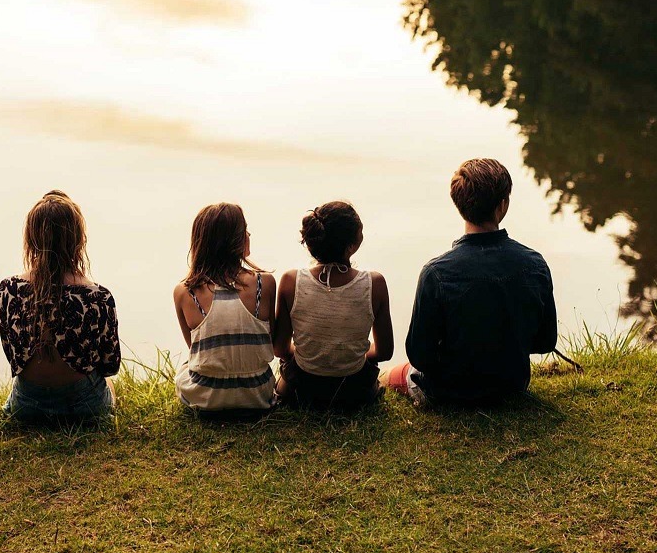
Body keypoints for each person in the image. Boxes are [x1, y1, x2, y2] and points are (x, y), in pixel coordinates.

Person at [383, 158, 558, 408]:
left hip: (448, 393)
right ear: (503, 204)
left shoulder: (435, 273)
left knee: (391, 374)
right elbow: (545, 342)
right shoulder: (535, 264)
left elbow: (420, 357)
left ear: (458, 204)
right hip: (512, 385)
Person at [0, 191, 120, 422]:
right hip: (85, 406)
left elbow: (12, 355)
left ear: (31, 239)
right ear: (78, 240)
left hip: (26, 404)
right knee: (110, 385)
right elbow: (110, 366)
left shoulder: (8, 289)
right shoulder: (98, 296)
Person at [273, 201, 393, 411]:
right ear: (352, 245)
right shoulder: (375, 284)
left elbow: (280, 349)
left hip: (301, 391)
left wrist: (312, 353)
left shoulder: (291, 281)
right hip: (355, 392)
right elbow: (384, 352)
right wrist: (351, 354)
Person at [173, 203, 277, 414]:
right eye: (244, 230)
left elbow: (195, 349)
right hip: (257, 395)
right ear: (233, 241)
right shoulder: (264, 284)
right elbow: (271, 342)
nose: (249, 234)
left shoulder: (185, 292)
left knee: (185, 369)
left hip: (206, 399)